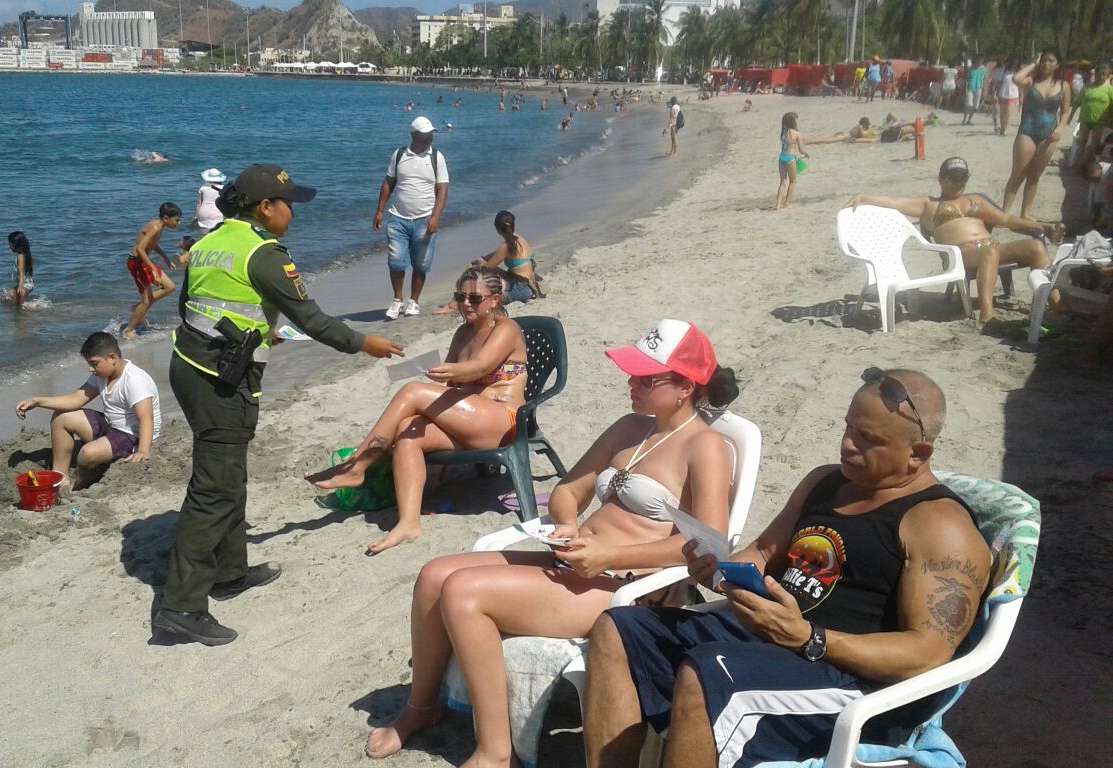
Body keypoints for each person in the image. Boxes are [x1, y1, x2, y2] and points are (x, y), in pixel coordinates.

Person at [362, 319, 740, 764]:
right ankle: (422, 707)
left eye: (645, 378)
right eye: (632, 373)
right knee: (433, 576)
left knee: (463, 591)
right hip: (576, 561)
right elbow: (567, 491)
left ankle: (495, 751)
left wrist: (608, 555)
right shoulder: (630, 428)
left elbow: (708, 545)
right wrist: (567, 524)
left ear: (685, 387)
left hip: (628, 588)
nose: (631, 383)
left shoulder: (705, 447)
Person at [582, 369, 991, 768]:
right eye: (848, 427)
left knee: (707, 674)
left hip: (851, 679)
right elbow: (763, 552)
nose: (847, 445)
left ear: (917, 454)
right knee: (619, 629)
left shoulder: (938, 524)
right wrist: (717, 570)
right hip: (772, 637)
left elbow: (929, 651)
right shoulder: (826, 482)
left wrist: (810, 638)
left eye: (868, 439)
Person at [157, 164, 403, 646]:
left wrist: (249, 335)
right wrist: (363, 343)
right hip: (218, 380)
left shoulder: (209, 241)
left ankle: (229, 573)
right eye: (288, 204)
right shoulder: (263, 253)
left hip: (190, 364)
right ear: (265, 207)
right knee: (213, 489)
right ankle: (181, 606)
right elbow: (311, 318)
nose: (293, 212)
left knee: (229, 474)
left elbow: (194, 307)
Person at [306, 267, 526, 555]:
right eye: (460, 296)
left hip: (504, 421)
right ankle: (409, 522)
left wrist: (449, 372)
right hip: (470, 422)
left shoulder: (506, 329)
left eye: (474, 298)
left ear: (495, 300)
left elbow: (479, 367)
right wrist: (440, 374)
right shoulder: (463, 333)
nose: (466, 304)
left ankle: (358, 466)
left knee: (412, 391)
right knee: (408, 429)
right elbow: (453, 382)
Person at [847, 156, 1061, 327]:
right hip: (959, 254)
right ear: (941, 179)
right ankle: (987, 315)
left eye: (962, 177)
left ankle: (1056, 304)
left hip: (989, 247)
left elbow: (1006, 220)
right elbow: (895, 203)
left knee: (1035, 247)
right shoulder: (929, 205)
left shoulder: (976, 200)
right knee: (990, 251)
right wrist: (865, 198)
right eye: (953, 178)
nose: (958, 182)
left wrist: (1041, 226)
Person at [14, 332, 161, 492]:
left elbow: (146, 418)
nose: (91, 369)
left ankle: (78, 486)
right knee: (61, 417)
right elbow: (75, 400)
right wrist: (37, 401)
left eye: (94, 363)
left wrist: (143, 450)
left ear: (112, 357)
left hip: (134, 436)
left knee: (87, 454)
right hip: (111, 425)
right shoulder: (102, 375)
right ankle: (60, 478)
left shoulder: (135, 380)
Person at [372, 116, 450, 320]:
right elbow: (388, 183)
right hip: (398, 218)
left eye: (430, 135)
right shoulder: (399, 155)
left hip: (425, 219)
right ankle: (398, 299)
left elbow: (442, 189)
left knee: (421, 264)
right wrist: (380, 211)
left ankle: (414, 300)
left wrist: (436, 217)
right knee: (396, 261)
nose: (429, 139)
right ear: (413, 135)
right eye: (425, 135)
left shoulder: (437, 157)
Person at [1002, 52, 1072, 219]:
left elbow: (1065, 111)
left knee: (1034, 176)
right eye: (1044, 60)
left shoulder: (1064, 86)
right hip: (1027, 131)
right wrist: (1033, 64)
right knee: (1017, 175)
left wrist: (1060, 128)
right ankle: (1004, 213)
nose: (1046, 63)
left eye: (1051, 61)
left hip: (1049, 134)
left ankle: (1025, 212)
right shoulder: (1030, 81)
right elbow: (1016, 79)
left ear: (1058, 64)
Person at [436, 211, 544, 315]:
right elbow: (496, 254)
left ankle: (452, 305)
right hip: (528, 285)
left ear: (497, 229)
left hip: (519, 289)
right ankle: (457, 301)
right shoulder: (519, 238)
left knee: (475, 273)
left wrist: (475, 266)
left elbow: (486, 269)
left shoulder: (506, 246)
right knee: (478, 268)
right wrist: (482, 259)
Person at [124, 202, 181, 340]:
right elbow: (140, 249)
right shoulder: (155, 227)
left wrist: (166, 258)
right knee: (147, 300)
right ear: (166, 218)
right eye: (176, 220)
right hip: (136, 263)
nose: (178, 223)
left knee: (170, 287)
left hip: (144, 262)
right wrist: (153, 268)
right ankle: (128, 330)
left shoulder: (159, 226)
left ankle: (139, 308)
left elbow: (153, 245)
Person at [1073, 63, 1112, 172]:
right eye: (1100, 73)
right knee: (1081, 143)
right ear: (1096, 73)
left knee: (1093, 145)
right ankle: (1075, 164)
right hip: (1085, 119)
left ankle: (1080, 167)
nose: (1101, 76)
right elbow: (1077, 102)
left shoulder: (1109, 89)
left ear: (1107, 75)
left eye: (1104, 74)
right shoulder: (1087, 87)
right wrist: (1070, 116)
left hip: (1099, 122)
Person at [776, 112, 809, 210]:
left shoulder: (783, 133)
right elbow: (801, 150)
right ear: (793, 122)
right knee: (793, 182)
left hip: (782, 158)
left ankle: (778, 204)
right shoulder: (797, 134)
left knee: (782, 181)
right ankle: (786, 203)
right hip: (790, 158)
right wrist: (806, 154)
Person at [2, 231, 35, 307]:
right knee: (6, 298)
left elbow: (21, 272)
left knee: (20, 306)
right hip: (27, 283)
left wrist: (20, 286)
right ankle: (30, 306)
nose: (9, 247)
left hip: (24, 284)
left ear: (15, 245)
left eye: (10, 244)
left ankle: (34, 307)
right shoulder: (26, 254)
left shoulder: (20, 256)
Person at [194, 168, 226, 232]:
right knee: (216, 232)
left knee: (203, 232)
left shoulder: (203, 188)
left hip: (203, 212)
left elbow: (199, 204)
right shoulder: (223, 188)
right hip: (216, 212)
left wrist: (196, 216)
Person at [995, 56, 1021, 136]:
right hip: (1002, 94)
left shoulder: (1019, 73)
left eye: (1016, 64)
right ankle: (1002, 128)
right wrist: (994, 93)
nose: (1014, 65)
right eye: (1013, 63)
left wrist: (1021, 97)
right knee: (1002, 114)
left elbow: (1020, 86)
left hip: (1013, 95)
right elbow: (997, 83)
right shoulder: (1003, 72)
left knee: (1008, 114)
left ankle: (1005, 129)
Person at [805, 117, 876, 144]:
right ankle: (808, 142)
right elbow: (863, 135)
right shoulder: (860, 127)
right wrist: (870, 133)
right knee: (826, 140)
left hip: (843, 135)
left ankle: (809, 141)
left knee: (825, 140)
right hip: (843, 137)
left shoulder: (859, 126)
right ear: (865, 123)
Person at [963, 56, 987, 125]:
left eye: (981, 60)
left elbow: (984, 79)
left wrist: (984, 89)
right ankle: (964, 120)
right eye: (978, 60)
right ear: (976, 60)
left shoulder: (984, 69)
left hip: (979, 88)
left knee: (975, 106)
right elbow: (966, 78)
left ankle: (969, 119)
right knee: (969, 105)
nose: (980, 62)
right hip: (970, 88)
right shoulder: (970, 68)